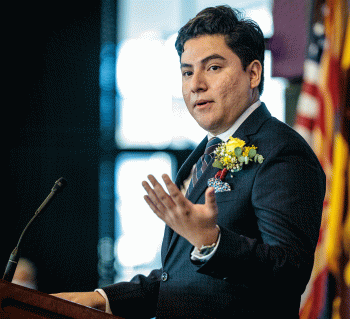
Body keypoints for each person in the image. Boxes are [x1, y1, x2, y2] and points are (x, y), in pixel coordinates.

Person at [53, 5, 326, 318]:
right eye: (187, 71)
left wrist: (211, 241)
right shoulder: (206, 151)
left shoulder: (281, 151)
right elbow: (181, 280)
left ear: (253, 73)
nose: (196, 84)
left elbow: (289, 271)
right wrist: (103, 298)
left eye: (212, 68)